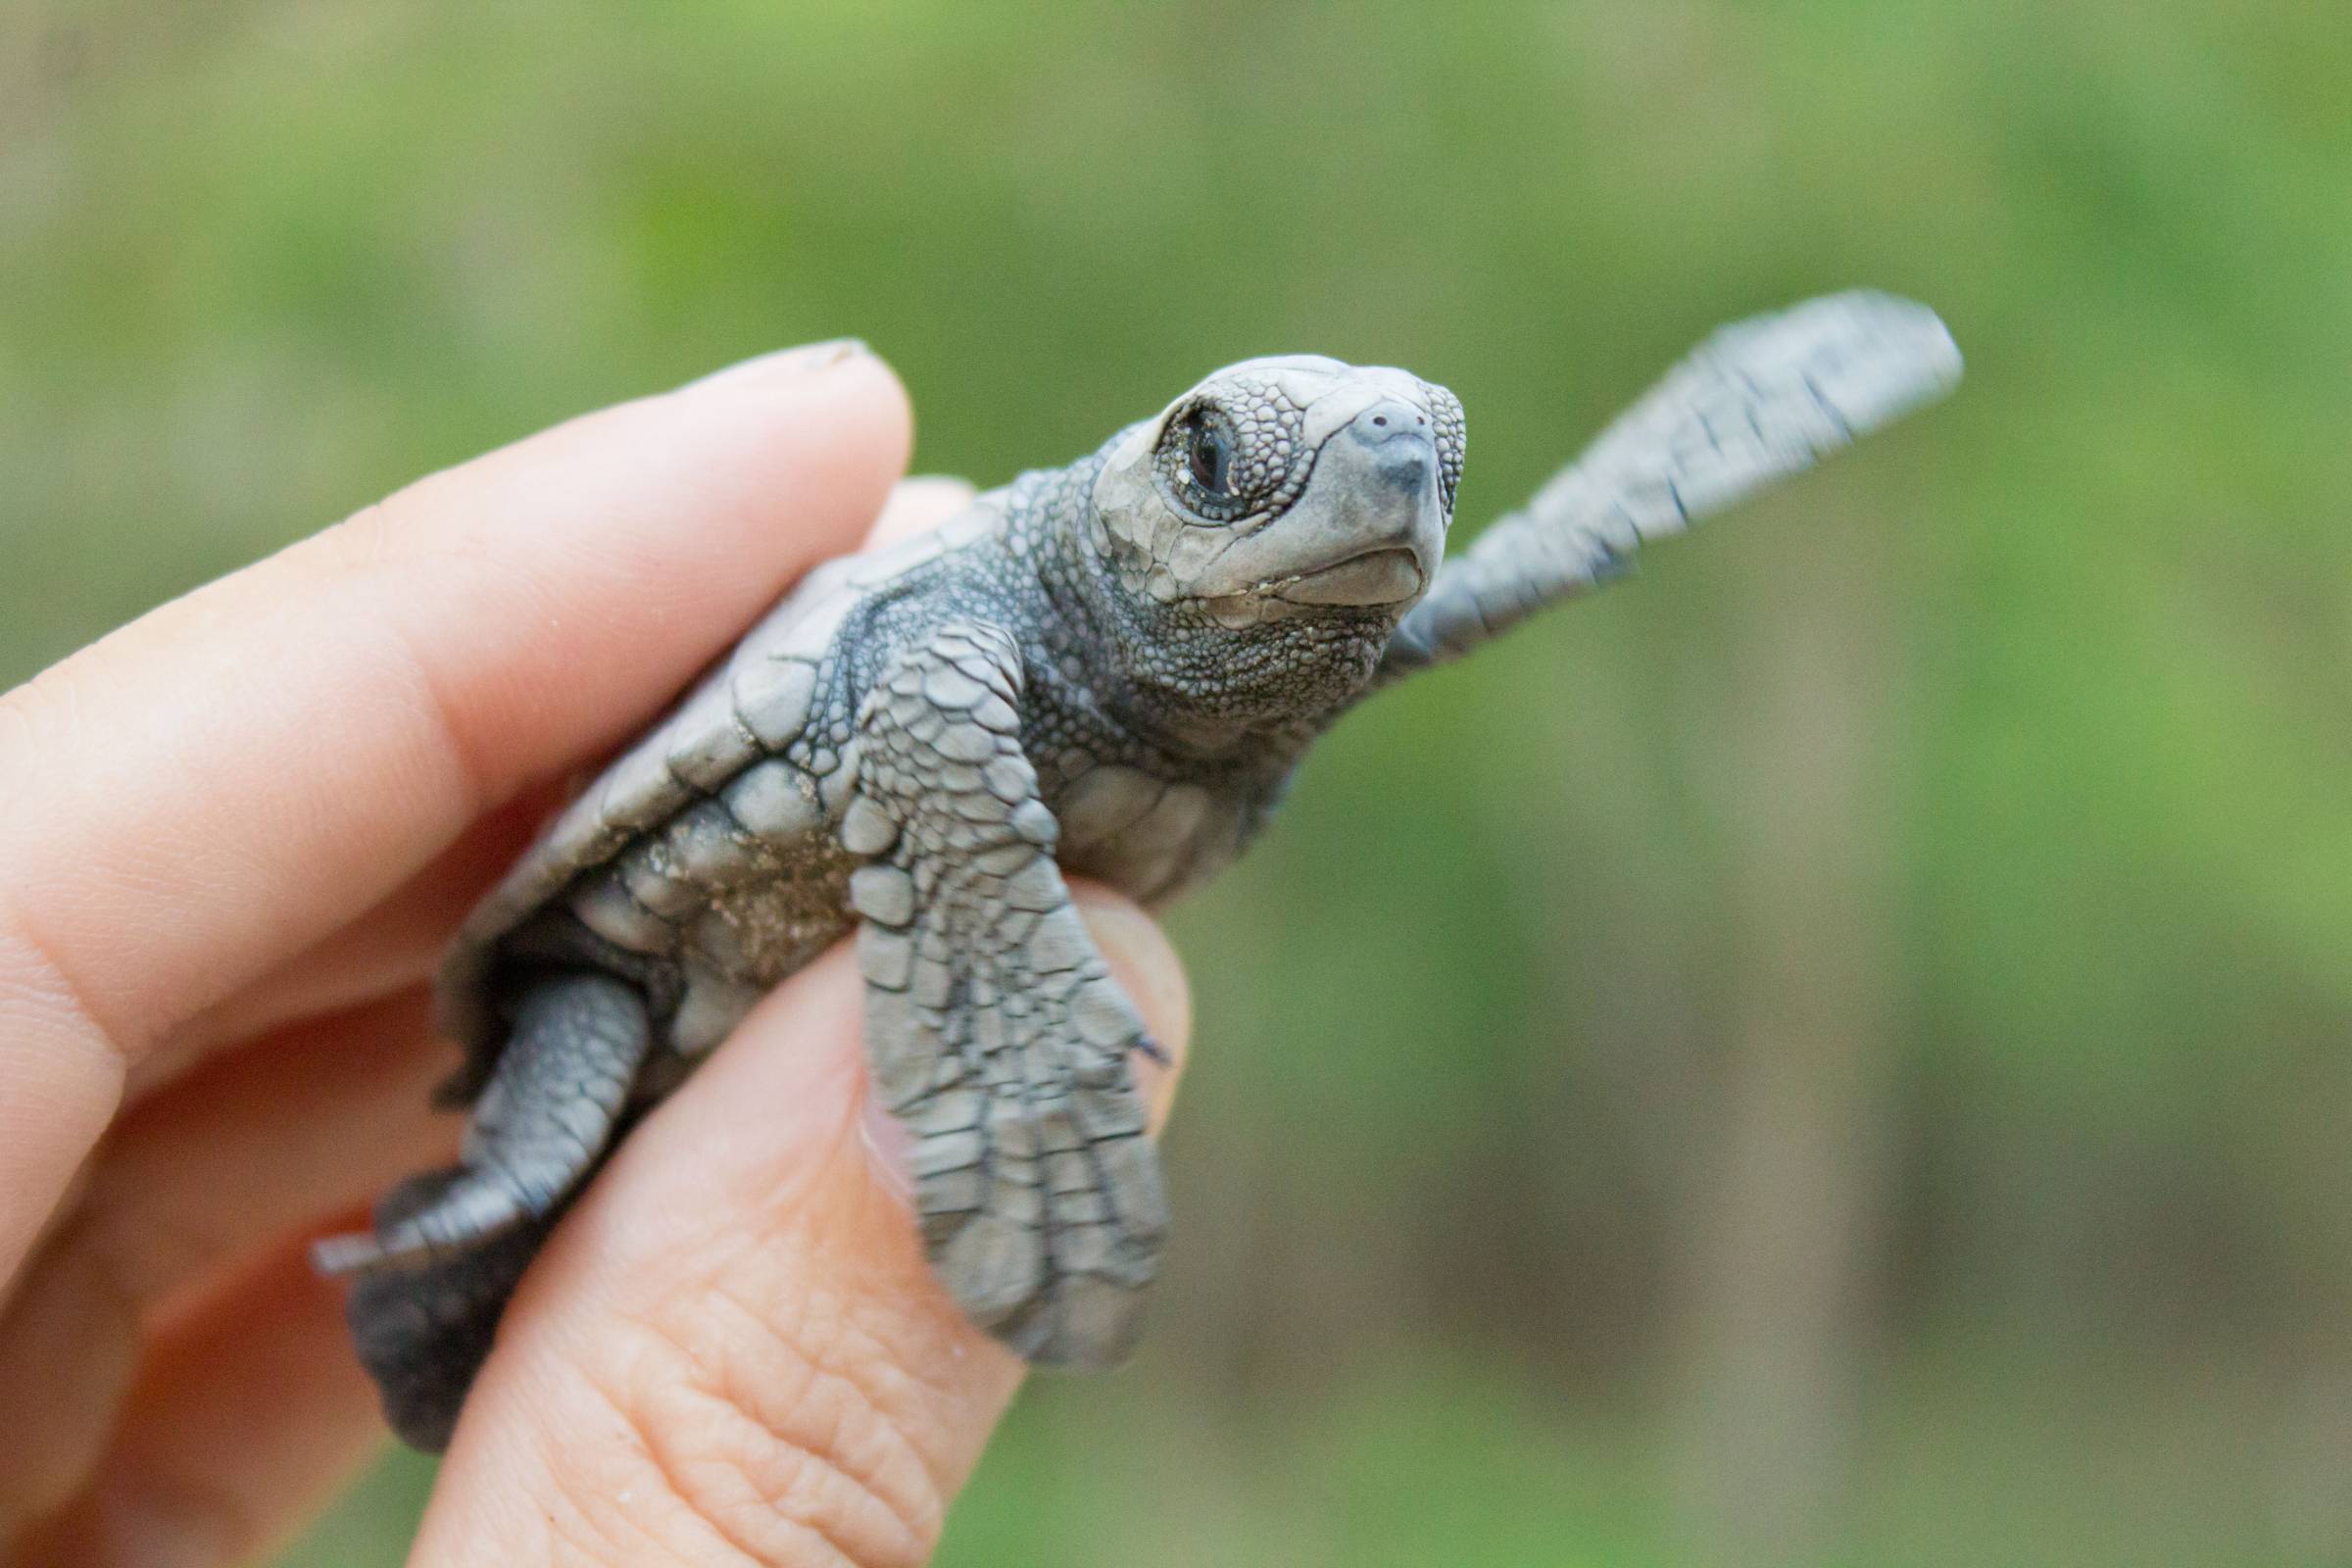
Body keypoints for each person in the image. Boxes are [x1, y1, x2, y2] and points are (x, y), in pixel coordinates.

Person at [0, 340, 1188, 1566]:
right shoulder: (979, 619)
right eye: (1221, 466)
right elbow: (923, 718)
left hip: (716, 957)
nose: (1380, 486)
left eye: (1414, 459)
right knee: (526, 1183)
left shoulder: (1319, 603)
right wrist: (1016, 1009)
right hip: (623, 958)